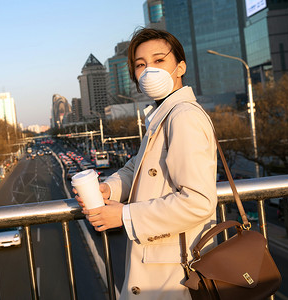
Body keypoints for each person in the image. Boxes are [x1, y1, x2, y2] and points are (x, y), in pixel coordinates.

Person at [75, 28, 218, 300]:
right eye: (140, 65)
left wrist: (124, 215)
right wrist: (109, 189)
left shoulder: (183, 116)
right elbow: (138, 167)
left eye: (159, 60)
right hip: (164, 264)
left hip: (176, 272)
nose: (149, 70)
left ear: (180, 67)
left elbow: (198, 201)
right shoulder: (163, 115)